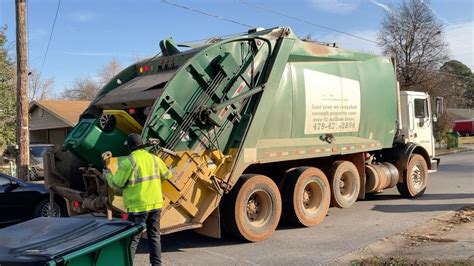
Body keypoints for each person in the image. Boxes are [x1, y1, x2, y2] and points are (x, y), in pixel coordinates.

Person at [104, 133, 171, 266]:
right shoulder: (154, 159)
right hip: (156, 204)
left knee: (132, 240)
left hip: (138, 207)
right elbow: (167, 175)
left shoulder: (128, 162)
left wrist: (108, 175)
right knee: (154, 237)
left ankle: (127, 264)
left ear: (129, 147)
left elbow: (117, 184)